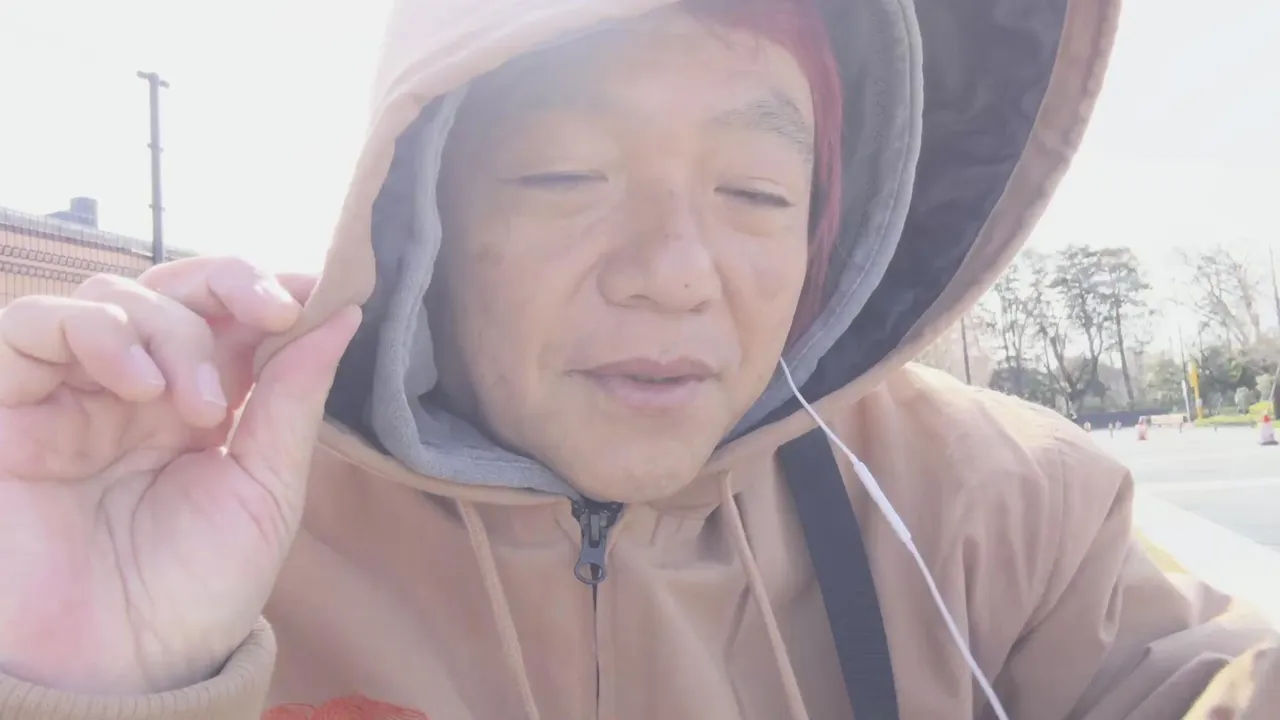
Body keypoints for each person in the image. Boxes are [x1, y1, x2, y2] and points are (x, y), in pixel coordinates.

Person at [1, 0, 1278, 718]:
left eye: (756, 192)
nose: (674, 271)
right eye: (566, 175)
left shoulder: (997, 511)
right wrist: (87, 683)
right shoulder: (212, 522)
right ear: (418, 217)